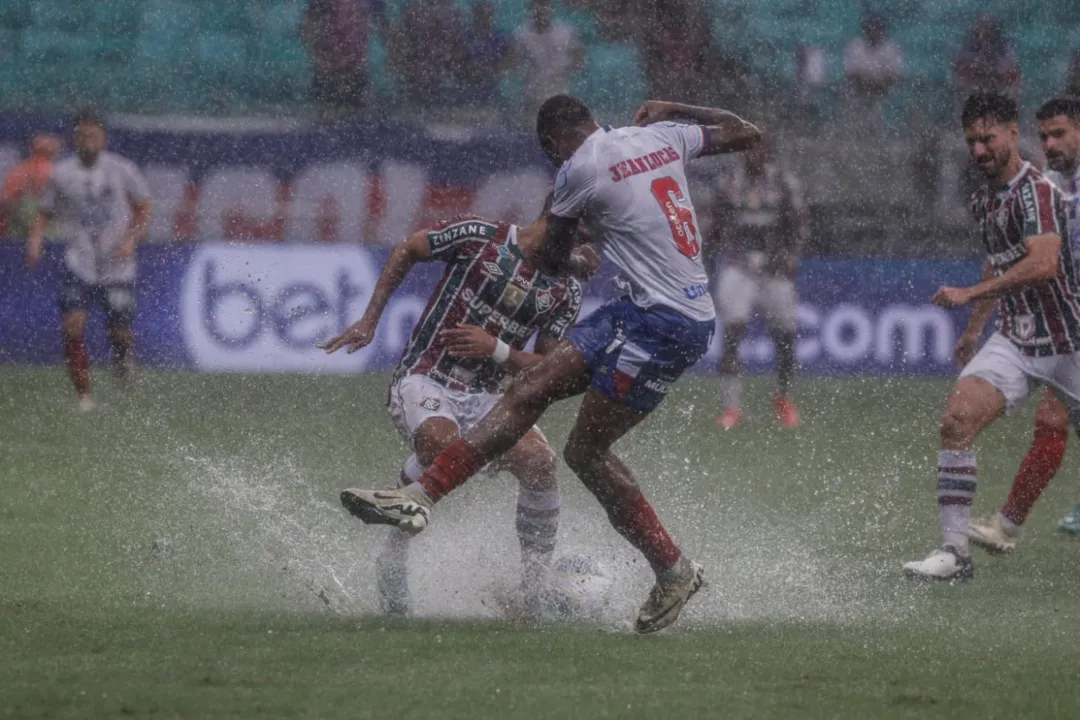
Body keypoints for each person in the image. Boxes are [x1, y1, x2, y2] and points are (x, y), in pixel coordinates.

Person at [338, 95, 762, 633]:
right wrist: (676, 110)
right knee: (529, 391)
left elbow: (553, 254)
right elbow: (748, 132)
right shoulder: (661, 135)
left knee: (584, 452)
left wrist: (574, 259)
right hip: (638, 309)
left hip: (665, 323)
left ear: (551, 146)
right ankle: (416, 498)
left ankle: (674, 571)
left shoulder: (575, 170)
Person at [322, 201, 594, 616]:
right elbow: (408, 248)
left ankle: (535, 590)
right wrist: (370, 319)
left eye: (589, 243)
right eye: (579, 237)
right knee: (439, 445)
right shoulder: (481, 237)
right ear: (555, 219)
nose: (582, 253)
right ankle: (392, 557)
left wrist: (498, 350)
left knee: (540, 462)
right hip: (425, 376)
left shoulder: (565, 291)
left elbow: (550, 368)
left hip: (488, 394)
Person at [902, 92, 1080, 582]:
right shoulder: (984, 196)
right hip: (1020, 340)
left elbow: (1042, 264)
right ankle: (955, 554)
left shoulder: (1037, 190)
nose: (979, 150)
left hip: (1073, 341)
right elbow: (999, 258)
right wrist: (977, 325)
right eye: (971, 141)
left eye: (988, 138)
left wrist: (969, 294)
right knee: (957, 418)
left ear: (1011, 132)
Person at [965, 98, 1080, 550]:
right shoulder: (1041, 188)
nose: (1049, 144)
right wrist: (976, 325)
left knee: (1054, 418)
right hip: (1065, 325)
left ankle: (1008, 525)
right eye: (1044, 136)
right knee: (1053, 419)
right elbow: (1002, 259)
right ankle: (1007, 525)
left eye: (1059, 134)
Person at [24, 110, 152, 412]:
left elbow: (144, 207)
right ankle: (84, 396)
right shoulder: (62, 173)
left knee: (119, 332)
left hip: (117, 264)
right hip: (79, 260)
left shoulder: (122, 170)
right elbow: (45, 210)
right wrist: (35, 238)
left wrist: (131, 239)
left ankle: (122, 359)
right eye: (81, 136)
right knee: (73, 327)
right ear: (75, 138)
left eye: (92, 135)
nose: (87, 141)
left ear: (103, 137)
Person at [711, 138, 809, 430]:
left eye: (760, 147)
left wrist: (788, 258)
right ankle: (732, 407)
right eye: (749, 147)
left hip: (775, 268)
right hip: (739, 266)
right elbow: (717, 225)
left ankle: (782, 396)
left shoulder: (783, 182)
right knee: (733, 330)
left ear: (769, 151)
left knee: (785, 336)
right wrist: (729, 253)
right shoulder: (729, 182)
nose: (754, 153)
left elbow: (799, 223)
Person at [514, 0, 586, 126]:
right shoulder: (522, 35)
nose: (540, 10)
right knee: (535, 128)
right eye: (537, 6)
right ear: (531, 10)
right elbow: (515, 62)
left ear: (550, 8)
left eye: (543, 5)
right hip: (534, 92)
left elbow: (579, 58)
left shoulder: (565, 32)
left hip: (560, 89)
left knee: (562, 126)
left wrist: (566, 71)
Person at [2, 133, 60, 238]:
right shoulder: (56, 172)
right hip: (44, 234)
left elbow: (7, 203)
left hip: (18, 233)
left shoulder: (17, 171)